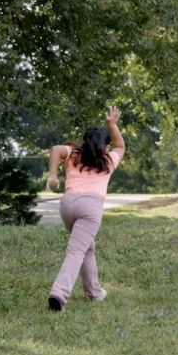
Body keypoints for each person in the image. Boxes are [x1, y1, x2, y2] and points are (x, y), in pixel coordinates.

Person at [45, 106, 125, 312]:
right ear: (105, 148)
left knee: (86, 247)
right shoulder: (108, 161)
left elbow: (55, 149)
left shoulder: (73, 154)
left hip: (67, 205)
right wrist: (112, 124)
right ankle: (59, 294)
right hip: (90, 207)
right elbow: (121, 146)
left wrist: (52, 174)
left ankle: (94, 293)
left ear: (84, 142)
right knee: (76, 250)